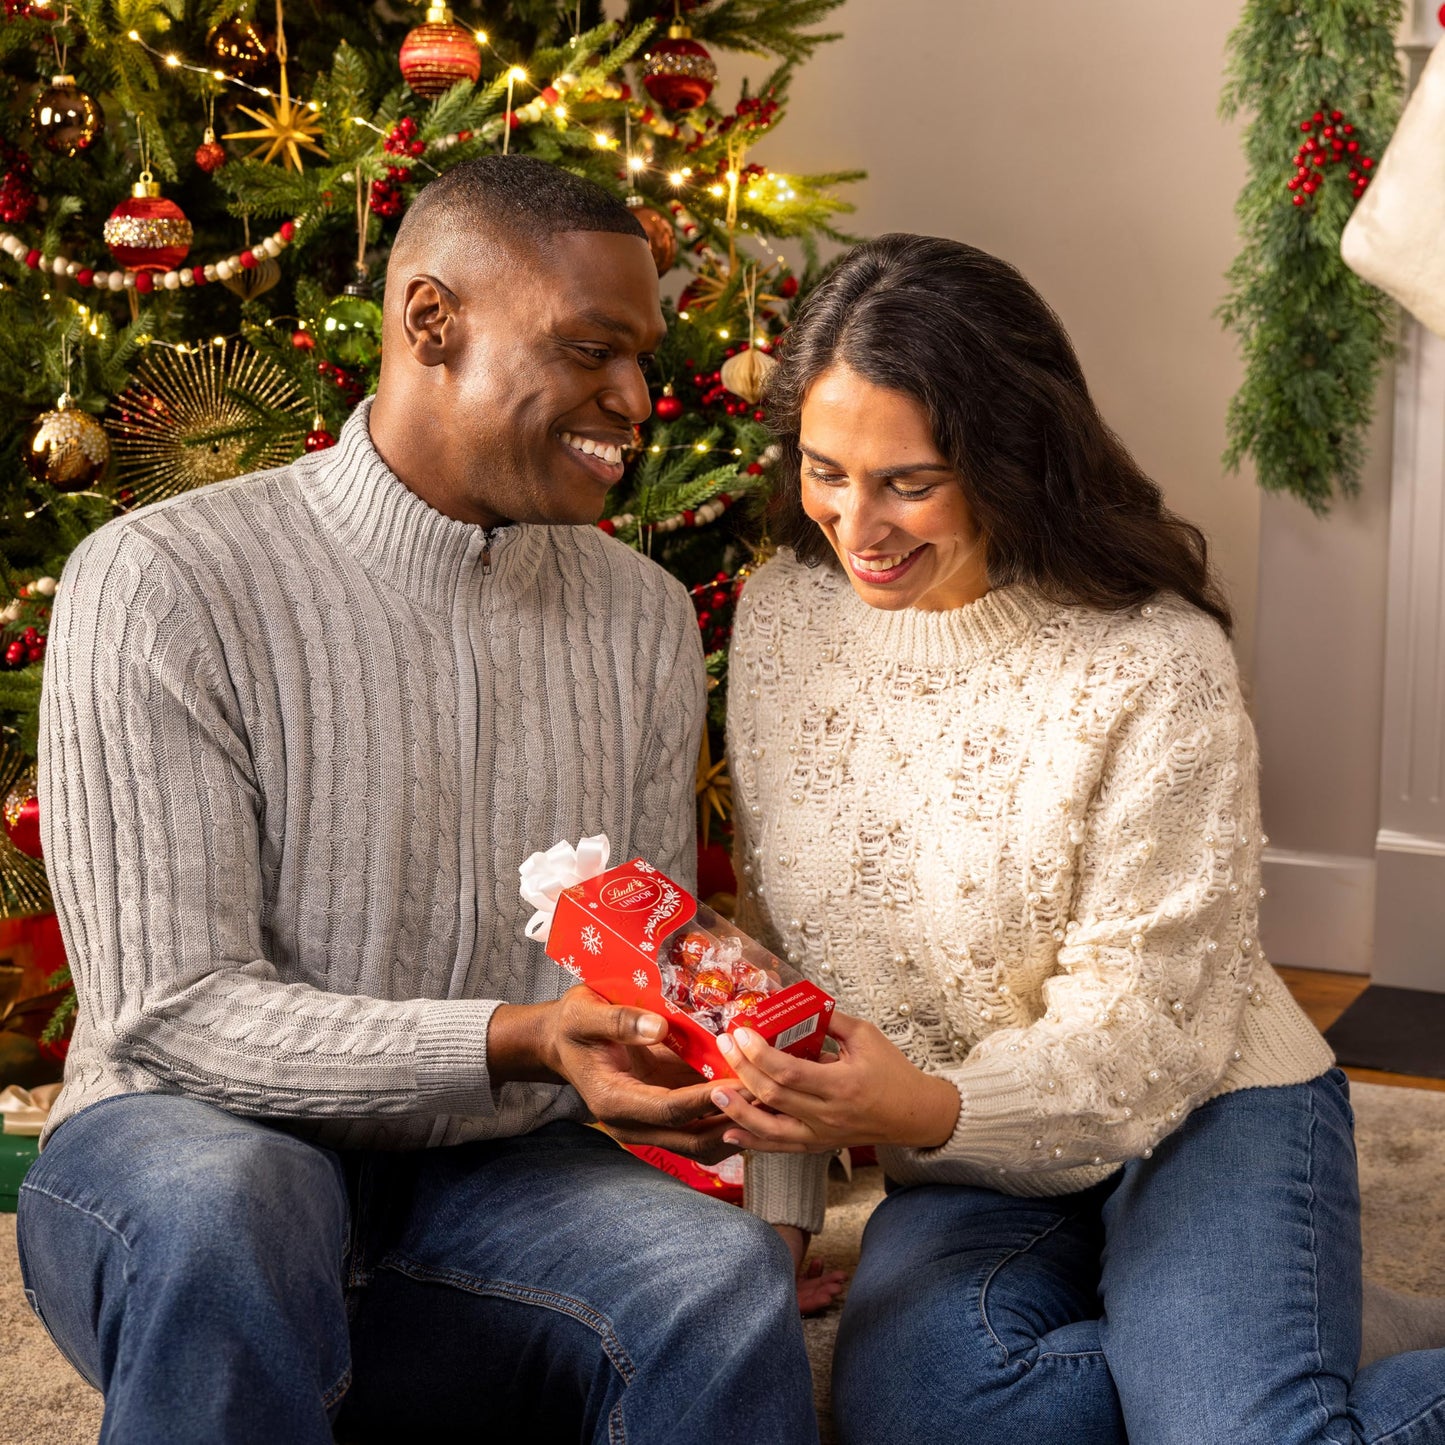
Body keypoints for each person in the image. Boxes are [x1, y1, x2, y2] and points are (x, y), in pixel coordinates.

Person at [17, 156, 815, 1445]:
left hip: (497, 1174)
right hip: (189, 1153)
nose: (634, 401)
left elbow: (650, 955)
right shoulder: (163, 579)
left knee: (715, 1285)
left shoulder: (641, 617)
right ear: (429, 321)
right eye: (590, 350)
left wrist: (746, 1145)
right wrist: (518, 1034)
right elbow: (171, 1012)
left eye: (641, 358)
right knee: (230, 1203)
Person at [718, 233, 1445, 1443]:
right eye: (823, 469)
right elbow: (784, 961)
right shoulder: (780, 617)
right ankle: (1286, 1329)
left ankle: (1247, 1351)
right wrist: (773, 1229)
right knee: (950, 1421)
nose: (857, 524)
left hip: (1197, 1103)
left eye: (908, 480)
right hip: (957, 1157)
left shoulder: (1153, 661)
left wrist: (925, 1104)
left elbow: (1139, 1039)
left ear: (1007, 459)